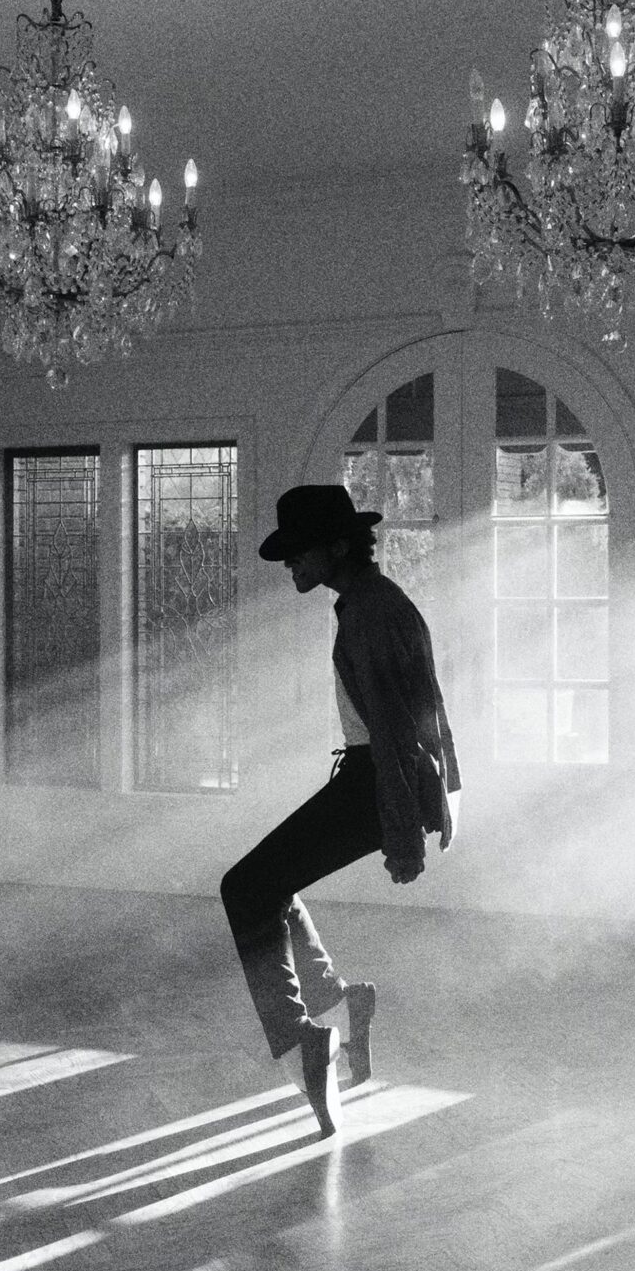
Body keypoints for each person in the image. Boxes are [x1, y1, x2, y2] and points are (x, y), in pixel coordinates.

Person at [224, 484, 461, 1137]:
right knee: (266, 885)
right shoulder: (369, 601)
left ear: (336, 546)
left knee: (245, 888)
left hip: (377, 780)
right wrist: (437, 794)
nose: (289, 563)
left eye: (299, 550)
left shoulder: (371, 613)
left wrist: (403, 829)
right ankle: (338, 1004)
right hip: (378, 778)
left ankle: (302, 1042)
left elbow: (397, 727)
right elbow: (421, 714)